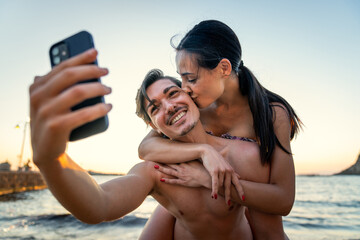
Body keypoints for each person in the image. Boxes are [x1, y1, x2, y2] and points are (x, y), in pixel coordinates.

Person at [29, 53, 265, 239]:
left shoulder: (242, 154)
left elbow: (272, 217)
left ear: (191, 96)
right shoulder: (158, 172)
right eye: (155, 108)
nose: (169, 107)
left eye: (173, 94)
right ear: (153, 126)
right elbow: (100, 204)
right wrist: (52, 159)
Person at [138, 20, 302, 239]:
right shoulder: (195, 106)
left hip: (246, 208)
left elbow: (283, 200)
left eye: (191, 78)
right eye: (181, 77)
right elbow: (146, 147)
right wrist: (203, 153)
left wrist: (206, 179)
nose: (184, 88)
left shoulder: (271, 114)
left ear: (224, 68)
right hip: (200, 210)